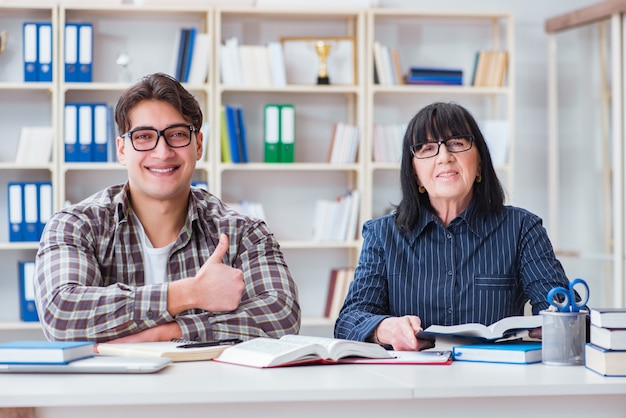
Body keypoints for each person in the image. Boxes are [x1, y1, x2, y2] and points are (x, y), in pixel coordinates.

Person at [34, 72, 300, 343]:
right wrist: (190, 293)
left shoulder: (243, 232)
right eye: (144, 136)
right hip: (109, 386)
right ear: (122, 150)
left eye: (177, 134)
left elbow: (282, 316)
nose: (162, 152)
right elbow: (60, 313)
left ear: (198, 145)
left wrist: (169, 332)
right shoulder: (76, 225)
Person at [334, 101, 570, 351]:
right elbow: (349, 321)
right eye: (427, 148)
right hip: (408, 383)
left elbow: (567, 310)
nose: (444, 157)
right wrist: (385, 329)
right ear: (415, 174)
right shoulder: (382, 235)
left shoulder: (523, 229)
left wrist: (559, 324)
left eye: (456, 143)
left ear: (479, 163)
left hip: (495, 381)